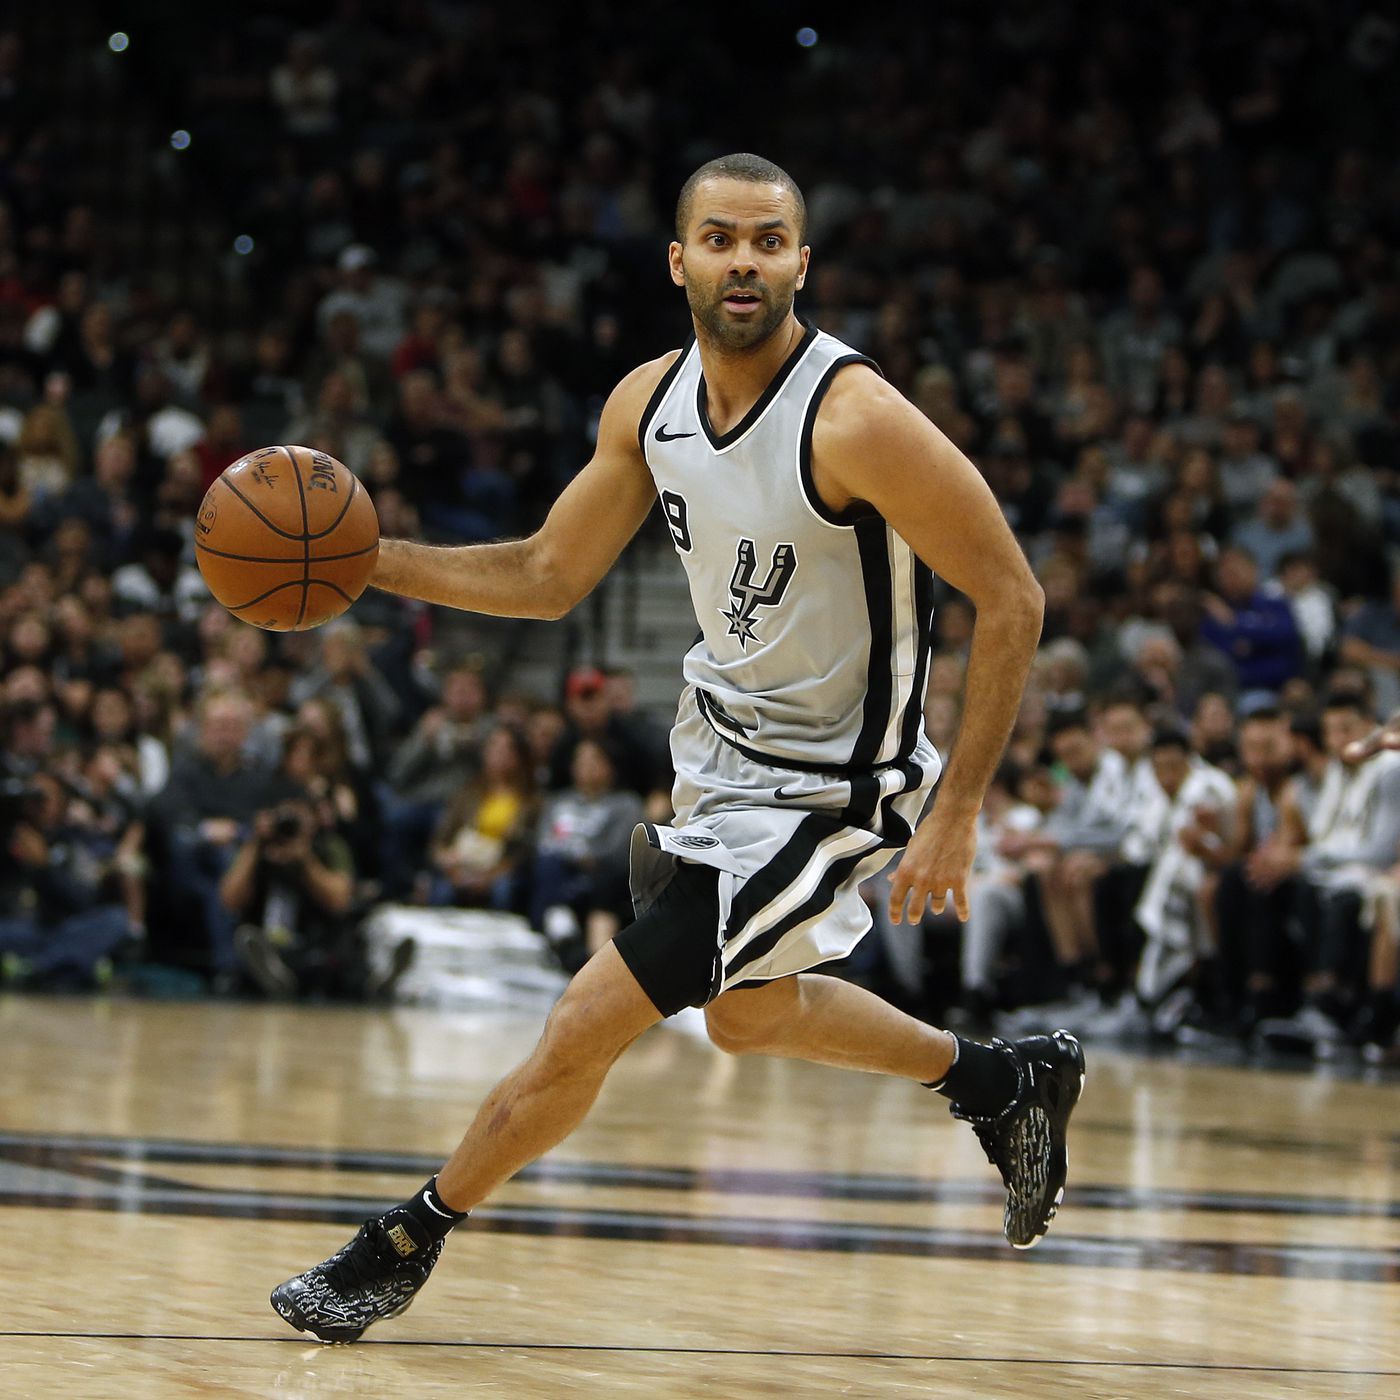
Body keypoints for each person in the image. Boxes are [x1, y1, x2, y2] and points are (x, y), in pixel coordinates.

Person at [270, 153, 1081, 1344]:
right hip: (720, 762)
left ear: (801, 261)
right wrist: (368, 562)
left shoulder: (854, 416)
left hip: (833, 791)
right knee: (750, 1016)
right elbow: (549, 576)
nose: (741, 260)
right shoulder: (645, 404)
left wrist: (955, 809)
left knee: (588, 1016)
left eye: (766, 240)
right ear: (678, 259)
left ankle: (404, 1237)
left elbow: (1011, 597)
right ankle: (1002, 1081)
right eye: (718, 238)